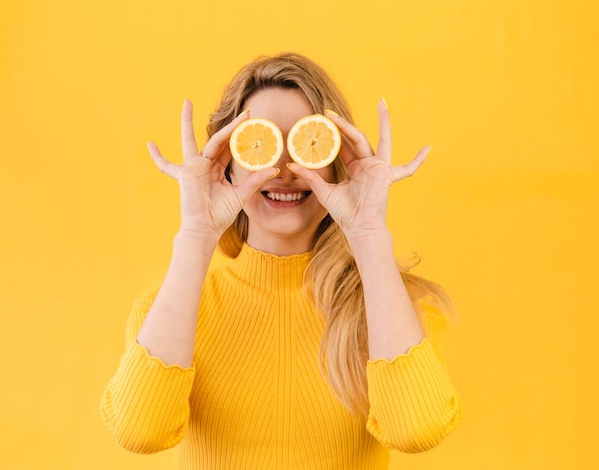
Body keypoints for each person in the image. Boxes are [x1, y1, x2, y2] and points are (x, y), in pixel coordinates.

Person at [100, 52, 461, 469]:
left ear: (338, 164)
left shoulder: (393, 310)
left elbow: (417, 430)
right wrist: (197, 235)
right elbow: (139, 432)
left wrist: (368, 235)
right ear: (228, 164)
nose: (285, 169)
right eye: (261, 143)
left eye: (307, 144)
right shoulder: (169, 312)